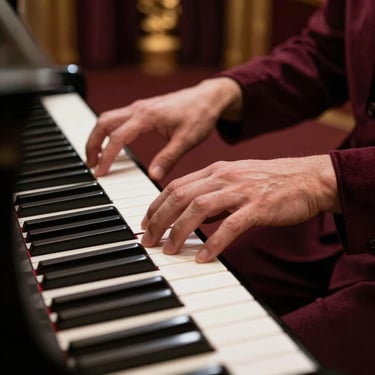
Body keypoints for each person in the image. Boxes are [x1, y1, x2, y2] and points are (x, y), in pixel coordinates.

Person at [85, 1, 375, 374]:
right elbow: (326, 54)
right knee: (153, 287)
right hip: (340, 218)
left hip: (349, 193)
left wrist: (325, 179)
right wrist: (223, 90)